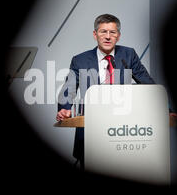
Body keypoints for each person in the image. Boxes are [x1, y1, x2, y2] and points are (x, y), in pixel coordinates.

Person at [56, 14, 157, 166]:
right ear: (95, 34)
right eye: (103, 32)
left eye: (112, 32)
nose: (108, 37)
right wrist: (65, 109)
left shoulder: (128, 55)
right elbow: (68, 90)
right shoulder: (80, 60)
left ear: (119, 36)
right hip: (91, 132)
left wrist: (166, 109)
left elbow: (149, 85)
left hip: (124, 132)